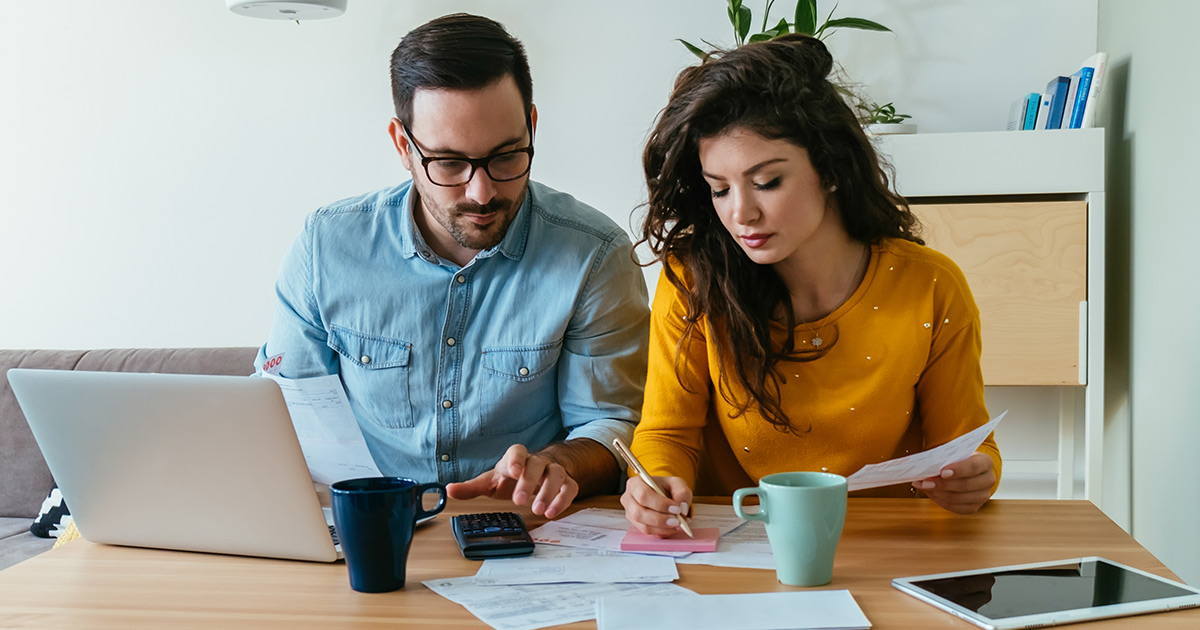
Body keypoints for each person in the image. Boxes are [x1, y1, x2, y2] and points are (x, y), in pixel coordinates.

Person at [257, 13, 649, 519]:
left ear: (531, 126)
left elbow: (613, 424)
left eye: (507, 156)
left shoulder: (595, 255)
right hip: (366, 529)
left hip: (524, 531)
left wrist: (557, 464)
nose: (481, 192)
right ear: (404, 147)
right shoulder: (326, 248)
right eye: (448, 163)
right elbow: (287, 411)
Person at [622, 34, 1001, 536]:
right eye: (719, 188)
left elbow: (966, 441)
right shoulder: (693, 279)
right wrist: (656, 484)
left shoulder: (929, 284)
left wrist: (978, 474)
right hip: (736, 544)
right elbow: (668, 433)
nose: (741, 214)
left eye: (767, 182)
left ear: (830, 169)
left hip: (885, 546)